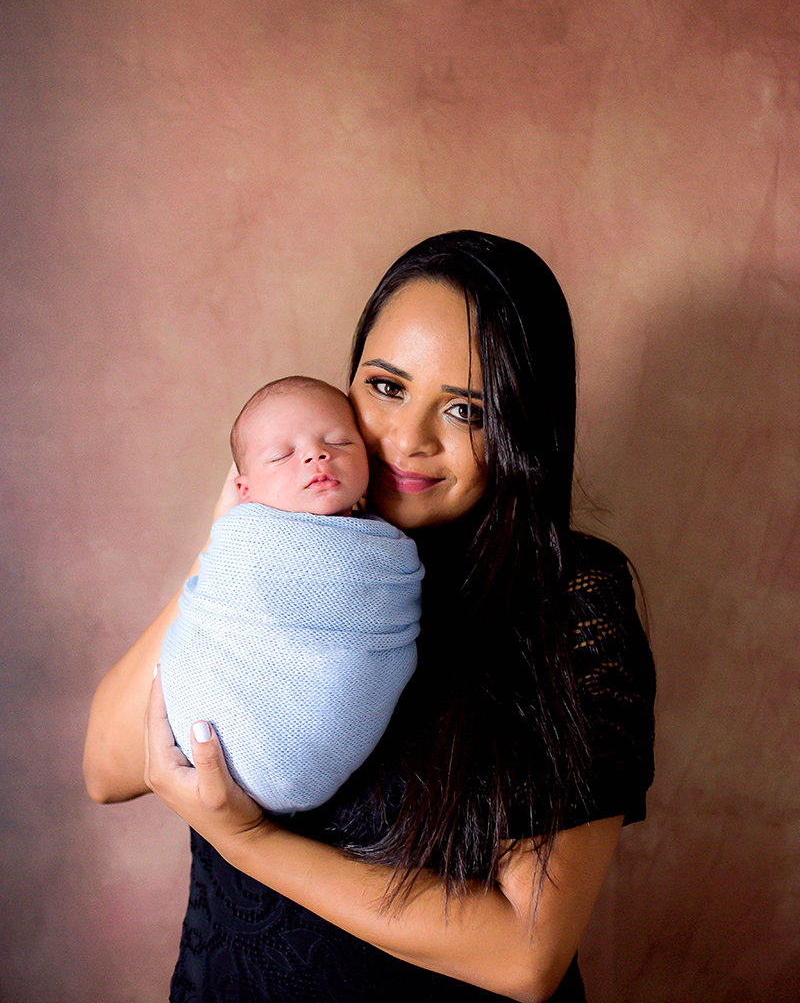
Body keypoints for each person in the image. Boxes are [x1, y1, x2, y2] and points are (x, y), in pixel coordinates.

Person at [83, 230, 656, 1003]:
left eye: (465, 409)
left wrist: (247, 839)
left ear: (522, 431)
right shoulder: (279, 546)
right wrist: (235, 541)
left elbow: (526, 957)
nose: (406, 441)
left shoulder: (569, 600)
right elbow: (107, 769)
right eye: (387, 387)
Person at [160, 375, 423, 813]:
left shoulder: (386, 552)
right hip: (209, 718)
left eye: (340, 442)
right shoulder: (243, 537)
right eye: (283, 455)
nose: (317, 455)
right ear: (244, 491)